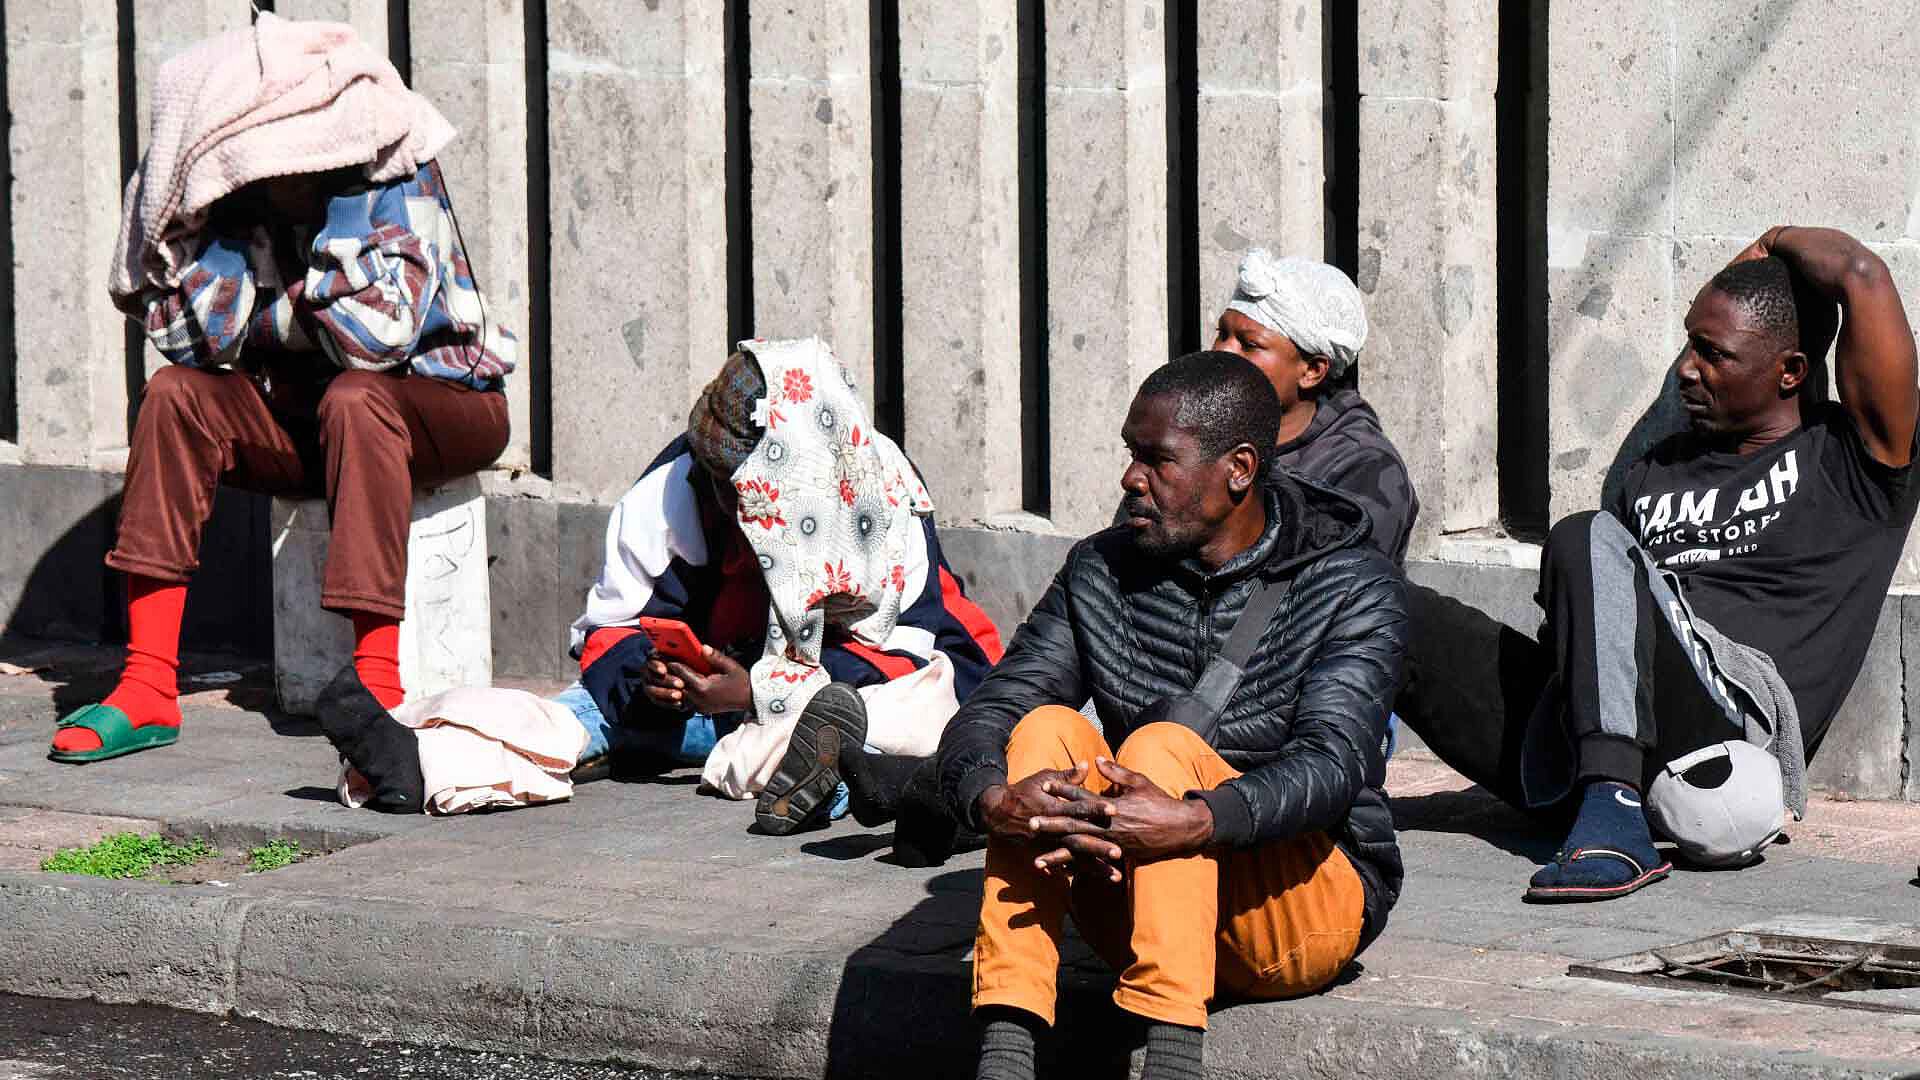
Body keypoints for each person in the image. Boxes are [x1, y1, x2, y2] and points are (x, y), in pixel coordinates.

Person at [1398, 226, 1918, 901]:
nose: (1684, 368)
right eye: (1689, 342)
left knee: (1588, 535)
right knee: (1374, 597)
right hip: (1585, 730)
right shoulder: (1655, 468)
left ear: (1790, 372)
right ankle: (1287, 791)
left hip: (1723, 737)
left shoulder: (1855, 466)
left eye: (1712, 353)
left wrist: (1776, 239)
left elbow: (1861, 274)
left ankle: (1614, 813)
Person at [54, 14, 511, 763]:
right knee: (175, 394)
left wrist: (279, 282)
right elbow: (184, 336)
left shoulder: (397, 172)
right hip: (309, 422)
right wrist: (262, 273)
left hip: (446, 406)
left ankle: (376, 684)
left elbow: (377, 340)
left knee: (356, 398)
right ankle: (146, 686)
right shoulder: (233, 208)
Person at [936, 351, 1406, 1080]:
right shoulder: (1100, 568)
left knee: (1159, 747)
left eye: (1157, 460)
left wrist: (1198, 819)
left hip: (1299, 908)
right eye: (1131, 454)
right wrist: (994, 799)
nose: (1131, 478)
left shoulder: (1353, 583)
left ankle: (1172, 1061)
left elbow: (1335, 763)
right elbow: (997, 704)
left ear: (1240, 469)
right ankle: (1006, 1050)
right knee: (1041, 733)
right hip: (1142, 904)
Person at [565, 338, 1004, 836]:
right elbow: (610, 628)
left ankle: (839, 779)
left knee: (900, 717)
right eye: (728, 489)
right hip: (714, 702)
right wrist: (653, 677)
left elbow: (900, 652)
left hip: (888, 676)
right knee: (576, 711)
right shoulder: (671, 492)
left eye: (756, 497)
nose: (743, 511)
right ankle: (744, 747)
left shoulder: (886, 495)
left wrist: (757, 691)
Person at [1210, 248, 1419, 563]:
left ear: (1312, 371)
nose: (1223, 353)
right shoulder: (1203, 434)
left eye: (1249, 344)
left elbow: (1333, 591)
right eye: (1222, 334)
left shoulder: (1362, 467)